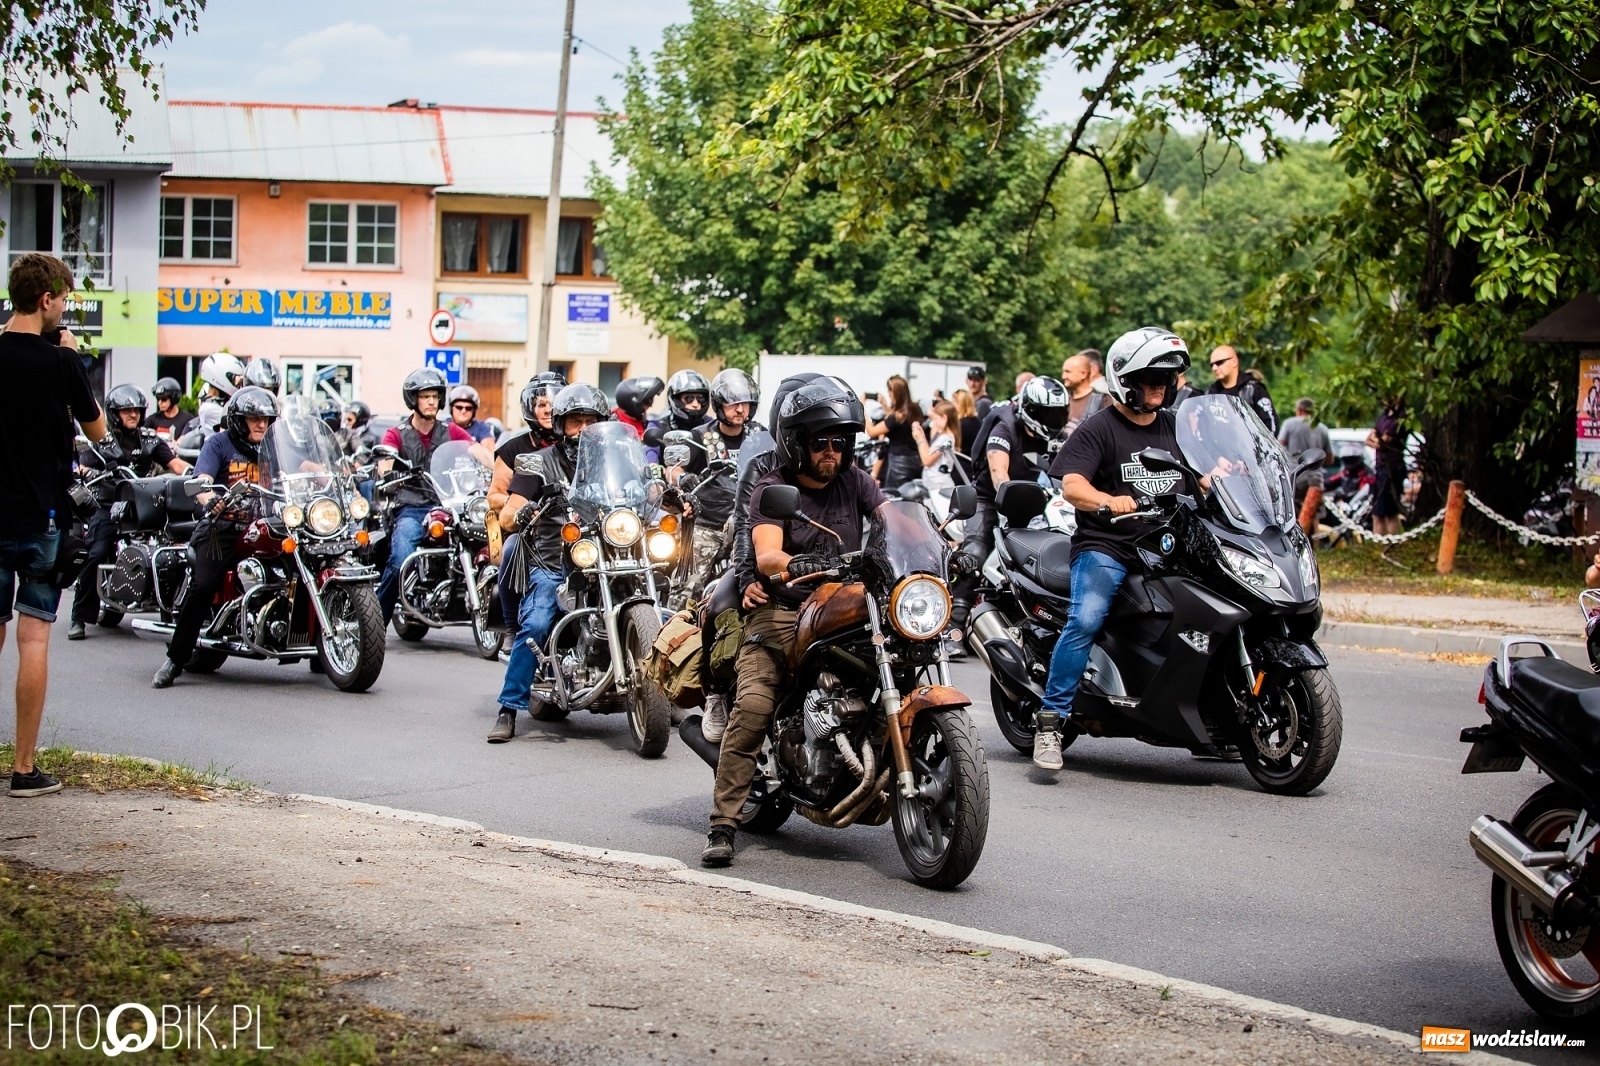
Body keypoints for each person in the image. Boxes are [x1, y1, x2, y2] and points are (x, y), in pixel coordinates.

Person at [702, 377, 888, 867]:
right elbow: (765, 552)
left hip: (846, 604)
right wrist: (791, 562)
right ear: (796, 442)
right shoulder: (773, 487)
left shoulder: (855, 479)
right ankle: (723, 822)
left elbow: (893, 516)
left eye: (841, 442)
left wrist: (938, 545)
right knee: (755, 705)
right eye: (820, 441)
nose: (832, 451)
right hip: (784, 611)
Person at [1037, 327, 1191, 771]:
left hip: (1167, 545)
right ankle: (1051, 721)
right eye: (1152, 378)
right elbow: (1071, 485)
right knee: (1086, 617)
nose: (1161, 386)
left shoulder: (1174, 427)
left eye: (1168, 378)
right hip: (1110, 545)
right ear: (1127, 380)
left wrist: (1224, 478)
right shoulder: (1098, 428)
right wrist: (1106, 500)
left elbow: (1198, 474)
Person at [1, 252, 106, 796]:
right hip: (42, 518)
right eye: (63, 299)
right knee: (34, 638)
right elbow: (99, 429)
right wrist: (69, 357)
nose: (63, 308)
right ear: (46, 300)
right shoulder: (61, 362)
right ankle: (23, 769)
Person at [488, 383, 610, 743]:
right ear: (560, 425)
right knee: (537, 623)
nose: (583, 429)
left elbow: (642, 490)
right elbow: (508, 512)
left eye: (591, 421)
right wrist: (520, 511)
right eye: (576, 422)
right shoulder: (540, 462)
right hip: (554, 561)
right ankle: (508, 708)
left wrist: (665, 497)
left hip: (604, 558)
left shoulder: (608, 462)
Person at [151, 386, 280, 689]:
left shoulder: (272, 449)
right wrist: (209, 497)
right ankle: (175, 659)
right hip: (220, 529)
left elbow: (298, 470)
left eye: (267, 418)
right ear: (238, 419)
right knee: (204, 585)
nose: (262, 424)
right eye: (254, 418)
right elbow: (201, 480)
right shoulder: (218, 444)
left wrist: (329, 475)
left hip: (264, 527)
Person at [948, 376, 1070, 631]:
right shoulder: (1004, 428)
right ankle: (954, 625)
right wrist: (1011, 494)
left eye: (1058, 414)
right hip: (988, 497)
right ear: (1030, 409)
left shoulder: (1056, 436)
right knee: (975, 553)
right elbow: (999, 474)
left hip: (1034, 498)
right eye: (1047, 414)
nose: (1053, 421)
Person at [67, 385, 189, 640]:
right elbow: (84, 464)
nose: (132, 415)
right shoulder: (102, 441)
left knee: (175, 547)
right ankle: (79, 617)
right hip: (109, 506)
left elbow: (175, 463)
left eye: (136, 410)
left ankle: (174, 607)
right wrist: (85, 471)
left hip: (143, 505)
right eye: (126, 411)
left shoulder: (149, 438)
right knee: (98, 552)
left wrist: (193, 474)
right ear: (114, 413)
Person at [375, 368, 491, 626]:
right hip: (411, 506)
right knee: (400, 558)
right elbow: (385, 460)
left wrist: (499, 468)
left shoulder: (450, 431)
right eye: (425, 396)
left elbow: (477, 450)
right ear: (413, 400)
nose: (430, 402)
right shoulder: (397, 433)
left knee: (482, 540)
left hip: (447, 504)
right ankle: (376, 623)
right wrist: (388, 471)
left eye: (435, 396)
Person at [490, 378, 564, 636]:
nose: (547, 410)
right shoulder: (513, 449)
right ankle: (512, 627)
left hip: (569, 524)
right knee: (510, 551)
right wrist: (521, 506)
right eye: (541, 404)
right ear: (529, 409)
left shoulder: (573, 445)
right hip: (527, 526)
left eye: (553, 404)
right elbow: (495, 496)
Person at [683, 369, 763, 595]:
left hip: (748, 525)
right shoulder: (701, 436)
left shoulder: (759, 435)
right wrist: (682, 478)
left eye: (745, 403)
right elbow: (675, 468)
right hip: (708, 525)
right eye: (732, 403)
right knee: (686, 589)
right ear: (719, 404)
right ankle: (675, 626)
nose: (740, 409)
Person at [862, 375, 924, 492]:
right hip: (914, 458)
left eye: (889, 391)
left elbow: (872, 432)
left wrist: (861, 409)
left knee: (898, 498)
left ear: (894, 392)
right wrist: (885, 406)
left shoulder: (897, 416)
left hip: (899, 463)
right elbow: (897, 424)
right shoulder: (915, 409)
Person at [1206, 345, 1277, 434]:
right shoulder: (1210, 394)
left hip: (1250, 447)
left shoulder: (1253, 390)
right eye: (1212, 365)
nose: (1214, 368)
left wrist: (1263, 447)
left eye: (1219, 362)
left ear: (1234, 361)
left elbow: (1271, 424)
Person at [1278, 398, 1332, 508]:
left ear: (1299, 410)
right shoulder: (1323, 428)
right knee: (1311, 516)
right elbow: (1330, 459)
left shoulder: (1289, 423)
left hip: (1293, 477)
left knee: (1289, 510)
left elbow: (1279, 446)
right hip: (1314, 479)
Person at [1369, 399, 1407, 537]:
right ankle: (1377, 542)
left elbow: (1383, 442)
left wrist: (1377, 440)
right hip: (1380, 467)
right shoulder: (1383, 416)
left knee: (1390, 512)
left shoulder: (1400, 418)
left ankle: (1393, 542)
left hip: (1392, 468)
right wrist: (1376, 440)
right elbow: (1369, 439)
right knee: (1377, 512)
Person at [911, 398, 961, 494]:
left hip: (939, 487)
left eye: (936, 419)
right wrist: (922, 436)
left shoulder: (946, 439)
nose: (934, 422)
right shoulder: (943, 436)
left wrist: (919, 440)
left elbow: (927, 460)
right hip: (935, 485)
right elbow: (930, 451)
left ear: (944, 418)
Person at [1061, 352, 1111, 442]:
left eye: (1068, 372)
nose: (1063, 376)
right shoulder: (1063, 400)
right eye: (1063, 372)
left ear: (1083, 374)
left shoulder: (1103, 400)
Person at [613, 375, 664, 440]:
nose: (650, 406)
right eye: (647, 402)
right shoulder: (611, 422)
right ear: (633, 402)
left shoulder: (646, 424)